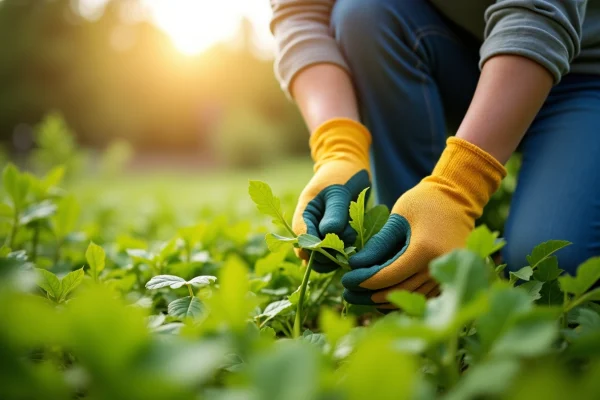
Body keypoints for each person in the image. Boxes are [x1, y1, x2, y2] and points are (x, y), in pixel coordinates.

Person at [269, 0, 600, 310]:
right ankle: (410, 257)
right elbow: (301, 12)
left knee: (552, 268)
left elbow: (539, 10)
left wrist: (460, 185)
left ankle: (444, 219)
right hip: (460, 57)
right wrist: (338, 147)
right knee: (363, 12)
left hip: (585, 73)